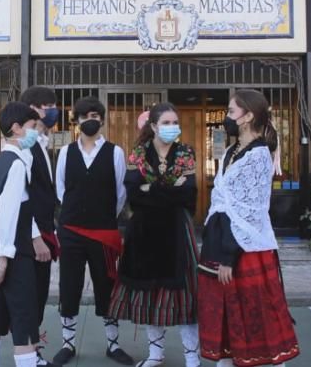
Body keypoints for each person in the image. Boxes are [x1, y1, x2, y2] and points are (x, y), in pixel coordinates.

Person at [197, 90, 299, 367]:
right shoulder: (231, 150)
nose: (226, 118)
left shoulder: (258, 155)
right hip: (220, 241)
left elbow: (248, 212)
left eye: (231, 112)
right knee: (227, 314)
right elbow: (221, 202)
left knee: (256, 312)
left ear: (248, 116)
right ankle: (227, 361)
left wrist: (229, 256)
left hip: (244, 248)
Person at [108, 102, 201, 367]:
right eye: (166, 123)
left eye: (175, 123)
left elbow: (189, 193)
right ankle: (156, 354)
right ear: (153, 126)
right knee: (150, 295)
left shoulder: (185, 152)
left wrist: (153, 189)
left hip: (177, 231)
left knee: (185, 296)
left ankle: (191, 358)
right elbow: (134, 195)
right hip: (144, 232)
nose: (172, 128)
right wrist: (170, 189)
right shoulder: (138, 153)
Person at [53, 96, 134, 366]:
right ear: (76, 121)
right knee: (69, 286)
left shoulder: (115, 152)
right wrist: (77, 214)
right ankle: (67, 344)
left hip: (103, 231)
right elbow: (62, 190)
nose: (91, 120)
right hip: (71, 230)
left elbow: (120, 193)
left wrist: (102, 217)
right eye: (85, 116)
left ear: (102, 119)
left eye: (95, 116)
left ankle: (113, 344)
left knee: (107, 285)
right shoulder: (65, 152)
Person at [0, 101, 48, 367]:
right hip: (15, 256)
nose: (35, 133)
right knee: (25, 329)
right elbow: (7, 214)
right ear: (16, 129)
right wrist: (4, 260)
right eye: (31, 127)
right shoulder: (16, 165)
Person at [20, 86, 61, 367]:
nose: (52, 110)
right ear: (32, 109)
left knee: (39, 295)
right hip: (33, 236)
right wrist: (36, 237)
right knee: (30, 298)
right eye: (47, 105)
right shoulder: (26, 146)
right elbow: (23, 196)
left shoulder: (42, 144)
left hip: (46, 231)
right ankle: (28, 354)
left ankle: (32, 350)